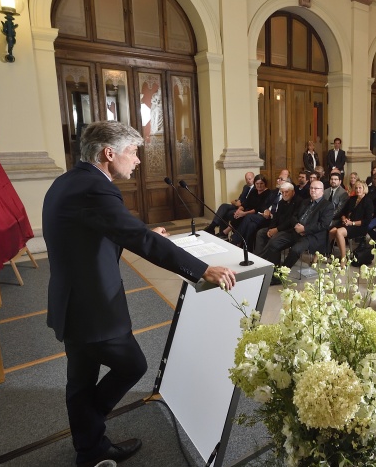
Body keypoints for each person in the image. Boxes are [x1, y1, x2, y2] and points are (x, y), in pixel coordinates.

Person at [43, 121, 236, 467]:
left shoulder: (67, 182)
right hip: (95, 307)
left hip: (71, 302)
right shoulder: (95, 189)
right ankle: (90, 432)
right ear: (108, 153)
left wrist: (142, 232)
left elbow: (94, 232)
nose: (137, 161)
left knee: (80, 380)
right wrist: (201, 269)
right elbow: (140, 241)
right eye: (132, 152)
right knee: (133, 365)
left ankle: (88, 448)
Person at [328, 181, 373, 263]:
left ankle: (343, 259)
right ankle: (325, 252)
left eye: (360, 188)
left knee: (339, 232)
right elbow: (343, 212)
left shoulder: (368, 201)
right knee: (331, 231)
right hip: (346, 223)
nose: (358, 190)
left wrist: (351, 223)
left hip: (359, 226)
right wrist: (344, 218)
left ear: (364, 189)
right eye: (356, 188)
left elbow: (367, 220)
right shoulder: (352, 199)